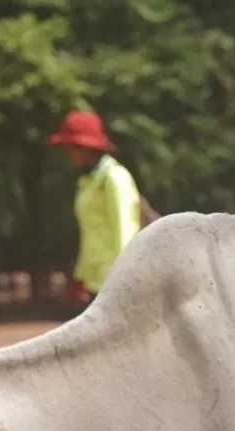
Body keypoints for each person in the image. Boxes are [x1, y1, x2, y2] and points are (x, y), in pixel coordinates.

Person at [47, 109, 142, 311]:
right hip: (94, 285)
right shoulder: (87, 182)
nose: (67, 153)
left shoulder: (114, 178)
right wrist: (80, 278)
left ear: (84, 146)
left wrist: (122, 284)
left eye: (69, 147)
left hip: (115, 285)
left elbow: (125, 232)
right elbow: (90, 235)